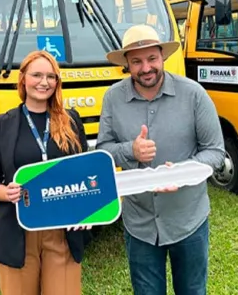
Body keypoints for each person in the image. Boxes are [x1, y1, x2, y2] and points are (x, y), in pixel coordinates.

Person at [96, 24, 227, 295]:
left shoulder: (194, 94)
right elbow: (103, 152)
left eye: (152, 58)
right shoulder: (113, 98)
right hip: (140, 224)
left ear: (162, 57)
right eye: (137, 61)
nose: (146, 68)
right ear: (127, 65)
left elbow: (215, 151)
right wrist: (130, 151)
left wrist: (181, 173)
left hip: (188, 220)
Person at [0, 50, 92, 295]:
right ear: (22, 79)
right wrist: (4, 192)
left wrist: (86, 214)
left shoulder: (71, 121)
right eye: (37, 75)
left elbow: (84, 173)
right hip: (19, 230)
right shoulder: (3, 124)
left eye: (51, 77)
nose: (44, 82)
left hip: (62, 231)